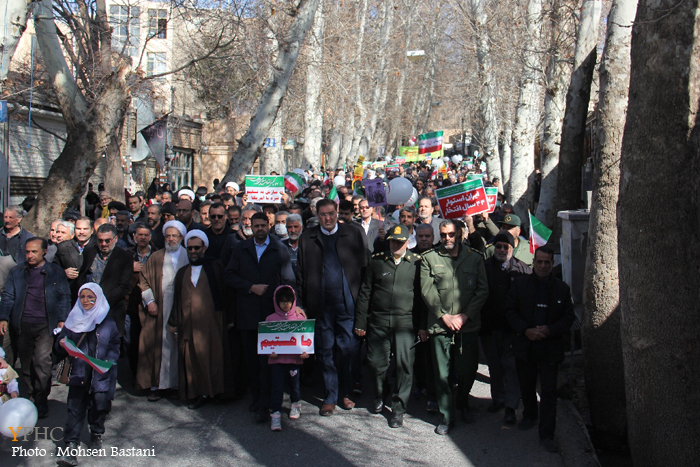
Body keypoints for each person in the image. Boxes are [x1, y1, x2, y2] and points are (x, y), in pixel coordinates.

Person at [296, 199, 367, 416]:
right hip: (320, 306)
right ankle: (330, 396)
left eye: (331, 214)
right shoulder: (308, 237)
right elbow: (300, 273)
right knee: (325, 351)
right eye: (323, 215)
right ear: (317, 215)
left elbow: (365, 270)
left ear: (337, 213)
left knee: (348, 350)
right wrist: (300, 304)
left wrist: (364, 309)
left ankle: (346, 391)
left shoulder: (353, 233)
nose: (327, 218)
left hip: (347, 304)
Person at [224, 212, 295, 422]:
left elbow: (288, 280)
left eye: (264, 225)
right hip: (247, 314)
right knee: (252, 362)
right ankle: (257, 398)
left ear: (269, 225)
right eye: (256, 226)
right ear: (251, 227)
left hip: (271, 316)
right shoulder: (240, 249)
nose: (260, 229)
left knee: (270, 362)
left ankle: (269, 403)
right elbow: (229, 275)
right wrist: (250, 287)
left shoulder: (279, 249)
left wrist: (292, 308)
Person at [420, 220, 488, 435]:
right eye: (443, 235)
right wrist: (444, 316)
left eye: (450, 234)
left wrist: (465, 316)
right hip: (441, 326)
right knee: (442, 374)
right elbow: (427, 291)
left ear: (458, 234)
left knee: (467, 371)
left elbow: (482, 290)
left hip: (467, 326)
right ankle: (446, 414)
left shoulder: (475, 258)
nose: (447, 238)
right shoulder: (429, 258)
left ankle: (462, 402)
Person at [505, 246, 575, 453]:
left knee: (549, 392)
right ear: (533, 262)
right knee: (526, 386)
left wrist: (550, 330)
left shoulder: (562, 289)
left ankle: (547, 433)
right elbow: (510, 311)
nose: (543, 266)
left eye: (547, 262)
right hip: (525, 346)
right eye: (540, 262)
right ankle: (530, 415)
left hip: (549, 349)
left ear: (553, 264)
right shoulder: (519, 285)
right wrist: (525, 330)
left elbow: (568, 318)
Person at [354, 225, 422, 428]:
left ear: (407, 243)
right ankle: (379, 393)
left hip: (405, 323)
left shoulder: (417, 263)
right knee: (375, 363)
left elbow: (421, 297)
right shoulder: (376, 262)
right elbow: (365, 292)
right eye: (393, 241)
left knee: (404, 365)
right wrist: (360, 321)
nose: (396, 245)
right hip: (379, 321)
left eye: (400, 242)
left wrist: (422, 326)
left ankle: (399, 408)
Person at [0, 237, 71, 418]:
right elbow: (8, 295)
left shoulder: (55, 272)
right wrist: (4, 318)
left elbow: (64, 297)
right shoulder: (17, 272)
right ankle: (30, 397)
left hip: (45, 325)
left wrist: (62, 319)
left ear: (44, 252)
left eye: (34, 252)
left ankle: (41, 398)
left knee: (42, 362)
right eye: (27, 252)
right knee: (26, 364)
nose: (30, 255)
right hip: (22, 324)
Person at [54, 284, 120, 465]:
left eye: (90, 297)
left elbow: (115, 345)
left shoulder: (108, 322)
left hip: (100, 374)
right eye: (82, 297)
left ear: (98, 298)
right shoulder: (73, 319)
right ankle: (70, 446)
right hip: (79, 373)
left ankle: (96, 433)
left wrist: (110, 361)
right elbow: (60, 343)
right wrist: (60, 343)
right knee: (75, 409)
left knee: (99, 406)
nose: (86, 300)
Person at [169, 230, 228, 409]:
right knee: (192, 360)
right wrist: (175, 326)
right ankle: (197, 393)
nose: (193, 251)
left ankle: (215, 392)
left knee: (214, 358)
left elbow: (226, 296)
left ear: (204, 247)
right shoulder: (182, 272)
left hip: (212, 324)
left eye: (197, 247)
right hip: (188, 325)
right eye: (190, 248)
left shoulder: (216, 266)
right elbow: (177, 300)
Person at [480, 231, 531, 425]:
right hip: (490, 327)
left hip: (512, 330)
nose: (501, 250)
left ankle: (510, 406)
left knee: (511, 368)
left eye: (505, 247)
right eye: (498, 246)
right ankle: (498, 399)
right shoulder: (484, 267)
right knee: (495, 366)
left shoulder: (522, 270)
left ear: (512, 248)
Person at [136, 220, 189, 401]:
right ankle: (157, 385)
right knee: (159, 344)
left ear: (182, 238)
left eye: (175, 236)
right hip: (160, 307)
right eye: (168, 236)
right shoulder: (156, 257)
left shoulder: (189, 255)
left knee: (179, 345)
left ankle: (176, 385)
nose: (171, 239)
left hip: (182, 308)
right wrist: (150, 302)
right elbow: (143, 281)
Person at [77, 224, 133, 338]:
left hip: (112, 308)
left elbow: (124, 286)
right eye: (100, 241)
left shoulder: (124, 257)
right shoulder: (90, 251)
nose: (103, 244)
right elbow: (83, 274)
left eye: (107, 241)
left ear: (115, 239)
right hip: (88, 308)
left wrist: (100, 302)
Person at [266, 285, 309, 431]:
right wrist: (269, 353)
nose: (286, 304)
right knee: (277, 387)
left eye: (289, 301)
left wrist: (305, 352)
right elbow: (265, 342)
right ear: (276, 302)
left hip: (294, 359)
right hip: (276, 361)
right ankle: (275, 413)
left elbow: (306, 339)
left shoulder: (300, 317)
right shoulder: (270, 319)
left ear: (293, 301)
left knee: (294, 386)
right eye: (282, 301)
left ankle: (295, 404)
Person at [54, 217, 95, 304]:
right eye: (78, 229)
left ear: (91, 230)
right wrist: (63, 273)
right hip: (70, 294)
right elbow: (53, 268)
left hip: (92, 294)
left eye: (85, 229)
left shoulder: (97, 247)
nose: (81, 232)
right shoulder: (63, 247)